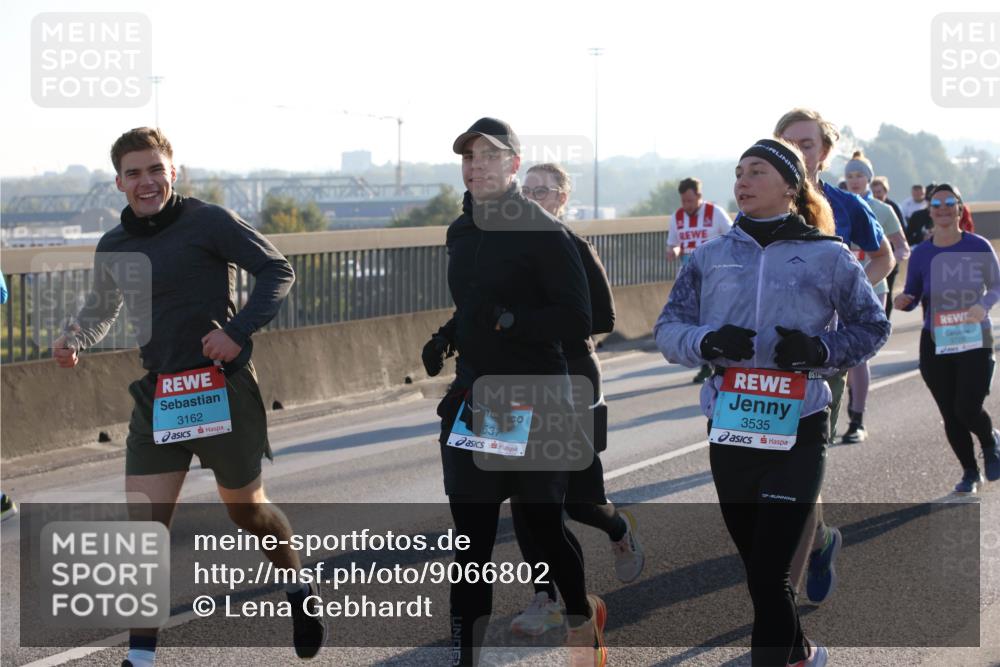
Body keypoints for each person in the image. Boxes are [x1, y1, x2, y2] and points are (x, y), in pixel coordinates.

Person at [52, 128, 324, 666]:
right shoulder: (115, 245)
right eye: (134, 172)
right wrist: (75, 338)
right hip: (159, 396)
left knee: (247, 514)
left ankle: (296, 583)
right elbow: (102, 308)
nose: (146, 181)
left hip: (220, 387)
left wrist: (239, 330)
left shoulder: (208, 221)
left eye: (155, 169)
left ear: (173, 172)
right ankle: (141, 658)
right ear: (118, 182)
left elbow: (277, 269)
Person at [655, 138, 889, 666]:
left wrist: (820, 350)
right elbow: (668, 329)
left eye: (757, 171)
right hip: (732, 427)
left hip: (800, 423)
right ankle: (802, 652)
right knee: (762, 576)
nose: (743, 180)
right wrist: (707, 342)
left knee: (769, 573)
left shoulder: (828, 256)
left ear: (790, 185)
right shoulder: (708, 257)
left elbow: (873, 326)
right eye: (739, 171)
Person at [435, 118, 606, 667]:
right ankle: (466, 659)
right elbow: (473, 305)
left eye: (489, 157)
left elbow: (577, 318)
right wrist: (448, 334)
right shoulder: (460, 232)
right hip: (480, 400)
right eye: (468, 158)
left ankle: (582, 626)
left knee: (543, 529)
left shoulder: (541, 230)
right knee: (472, 544)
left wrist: (510, 320)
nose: (477, 166)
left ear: (513, 165)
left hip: (538, 397)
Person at [774, 108, 893, 605]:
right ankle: (820, 541)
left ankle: (782, 610)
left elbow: (885, 256)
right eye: (787, 142)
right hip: (766, 357)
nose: (798, 152)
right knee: (771, 465)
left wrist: (849, 297)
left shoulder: (846, 205)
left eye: (807, 143)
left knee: (802, 468)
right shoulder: (757, 199)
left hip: (824, 355)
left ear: (824, 152)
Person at [894, 184, 1000, 494]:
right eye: (936, 203)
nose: (942, 208)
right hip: (936, 340)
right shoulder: (923, 253)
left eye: (949, 202)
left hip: (974, 338)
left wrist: (984, 304)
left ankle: (990, 439)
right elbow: (914, 292)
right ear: (930, 210)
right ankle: (969, 472)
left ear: (958, 208)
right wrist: (905, 299)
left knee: (967, 407)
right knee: (949, 411)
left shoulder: (978, 246)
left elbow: (996, 285)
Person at [842, 152, 910, 442]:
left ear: (869, 178)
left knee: (859, 356)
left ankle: (857, 419)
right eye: (851, 175)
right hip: (838, 290)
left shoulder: (882, 210)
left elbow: (901, 247)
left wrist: (886, 267)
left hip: (874, 288)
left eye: (860, 175)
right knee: (834, 356)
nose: (855, 180)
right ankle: (834, 409)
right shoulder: (837, 205)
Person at [666, 177, 733, 383]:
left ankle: (720, 362)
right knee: (696, 322)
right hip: (689, 280)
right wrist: (674, 251)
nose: (686, 205)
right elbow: (673, 243)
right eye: (683, 201)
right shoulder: (677, 217)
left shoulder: (716, 213)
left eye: (690, 200)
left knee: (715, 319)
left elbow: (734, 238)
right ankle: (706, 364)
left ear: (699, 197)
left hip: (716, 278)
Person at [870, 176, 906, 319]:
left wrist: (895, 257)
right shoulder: (865, 206)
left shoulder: (890, 208)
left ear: (886, 191)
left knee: (887, 290)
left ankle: (885, 320)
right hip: (871, 258)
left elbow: (901, 231)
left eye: (880, 191)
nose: (877, 194)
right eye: (874, 192)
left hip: (889, 259)